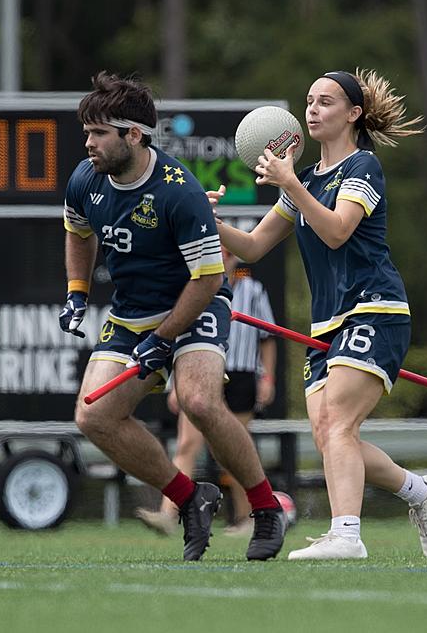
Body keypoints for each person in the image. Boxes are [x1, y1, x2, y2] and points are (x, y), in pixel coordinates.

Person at [210, 69, 427, 560]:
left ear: (353, 114)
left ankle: (346, 535)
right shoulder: (305, 180)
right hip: (329, 322)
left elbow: (338, 230)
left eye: (326, 102)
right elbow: (252, 247)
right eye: (309, 101)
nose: (313, 109)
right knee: (332, 436)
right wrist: (202, 218)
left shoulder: (363, 167)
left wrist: (291, 184)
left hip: (376, 308)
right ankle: (420, 493)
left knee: (337, 421)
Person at [60, 71, 285, 561]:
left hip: (196, 301)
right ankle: (190, 498)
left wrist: (165, 338)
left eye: (99, 133)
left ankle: (266, 509)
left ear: (133, 134)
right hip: (131, 312)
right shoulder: (85, 179)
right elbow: (79, 235)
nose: (88, 142)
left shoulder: (179, 191)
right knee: (93, 417)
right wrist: (77, 291)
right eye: (87, 131)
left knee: (200, 402)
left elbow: (206, 280)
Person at [135, 246, 277, 536]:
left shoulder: (253, 290)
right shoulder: (196, 288)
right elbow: (180, 336)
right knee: (187, 444)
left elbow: (268, 337)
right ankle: (169, 513)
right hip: (201, 371)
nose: (225, 257)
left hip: (240, 373)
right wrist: (177, 384)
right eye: (220, 252)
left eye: (229, 252)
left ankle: (248, 517)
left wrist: (268, 378)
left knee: (235, 449)